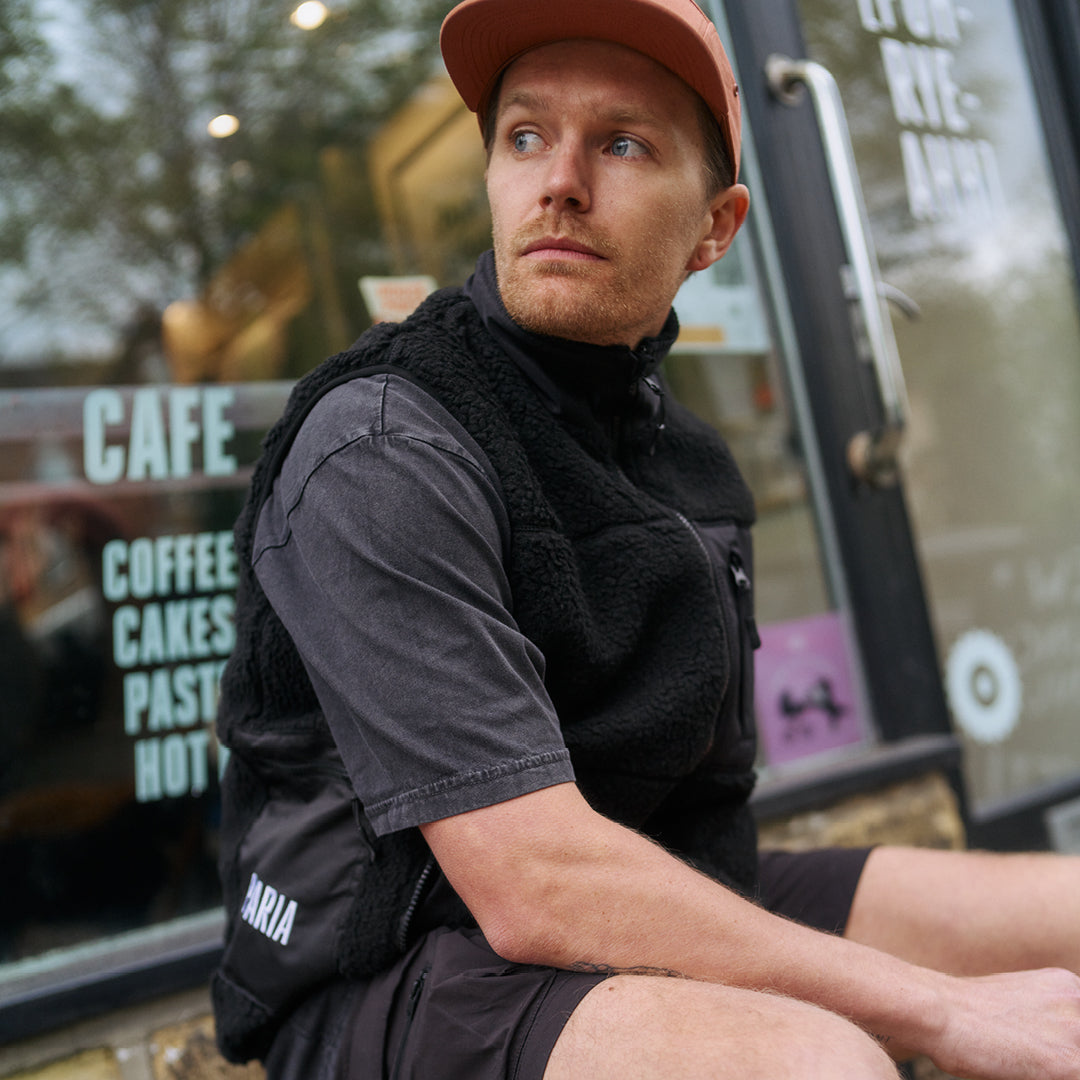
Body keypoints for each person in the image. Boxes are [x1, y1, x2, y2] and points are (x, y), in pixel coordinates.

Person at [211, 1, 1080, 1077]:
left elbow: (683, 827)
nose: (560, 180)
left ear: (715, 229)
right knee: (814, 1065)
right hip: (391, 963)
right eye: (526, 136)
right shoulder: (385, 443)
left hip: (640, 896)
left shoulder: (687, 463)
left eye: (622, 143)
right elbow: (535, 884)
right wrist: (946, 1011)